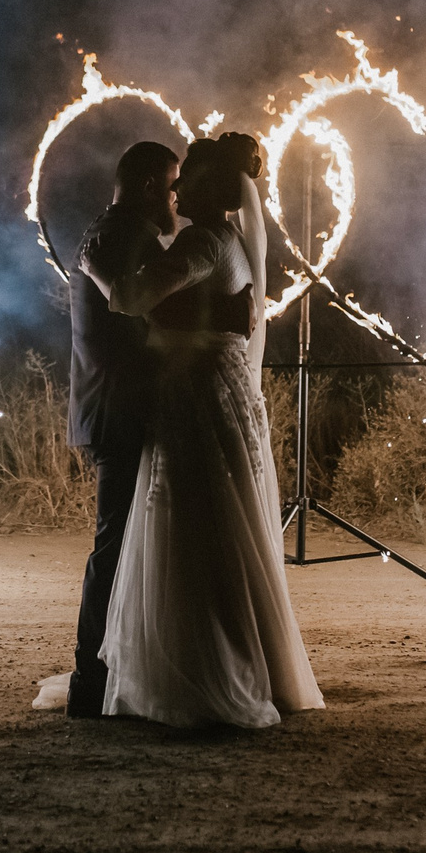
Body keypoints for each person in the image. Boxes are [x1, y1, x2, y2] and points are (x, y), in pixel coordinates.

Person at [91, 132, 324, 728]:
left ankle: (202, 672)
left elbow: (132, 296)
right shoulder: (237, 241)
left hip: (196, 397)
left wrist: (97, 270)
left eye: (185, 177)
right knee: (228, 523)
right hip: (226, 391)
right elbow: (212, 312)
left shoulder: (205, 239)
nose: (176, 188)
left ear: (210, 186)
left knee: (192, 528)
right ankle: (250, 661)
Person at [58, 140, 179, 718]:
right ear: (152, 184)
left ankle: (106, 670)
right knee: (114, 543)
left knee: (121, 541)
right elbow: (139, 335)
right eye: (173, 185)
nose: (177, 200)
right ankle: (90, 677)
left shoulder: (103, 231)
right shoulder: (128, 239)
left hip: (105, 404)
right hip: (122, 406)